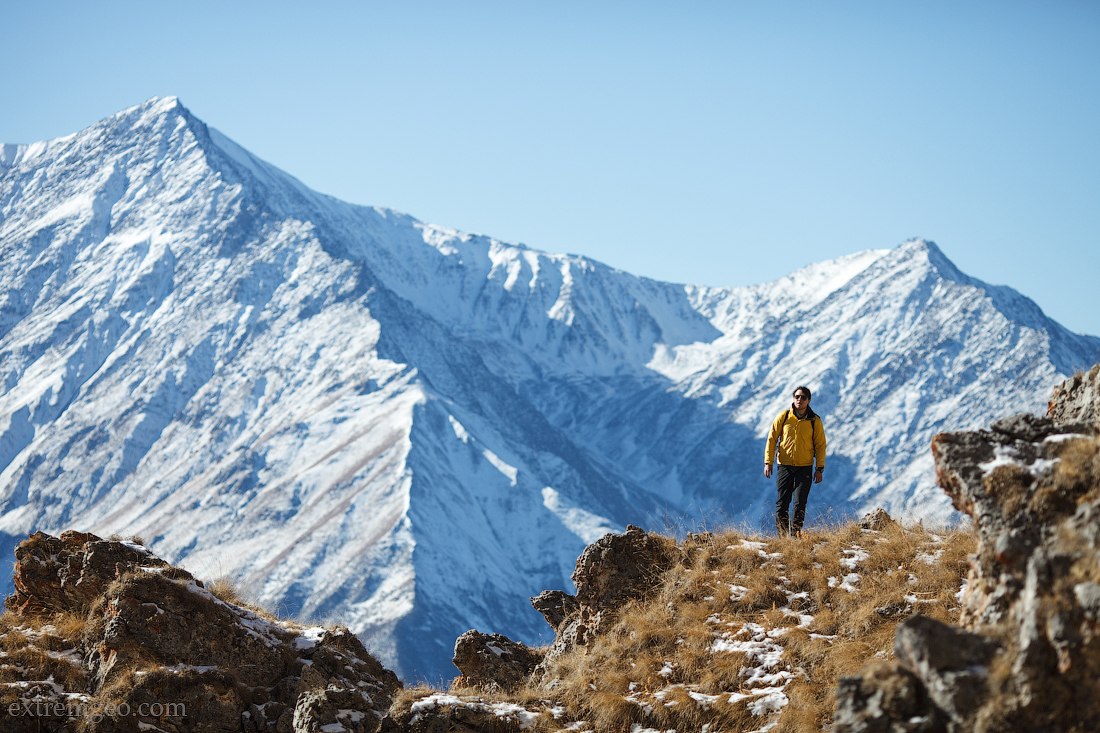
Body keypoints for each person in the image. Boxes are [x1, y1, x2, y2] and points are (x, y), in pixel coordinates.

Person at [764, 386, 826, 537]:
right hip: (784, 466)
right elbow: (772, 439)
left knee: (799, 504)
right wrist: (768, 462)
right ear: (793, 398)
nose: (799, 399)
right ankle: (783, 537)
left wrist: (819, 468)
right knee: (782, 504)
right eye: (797, 396)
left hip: (804, 467)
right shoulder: (784, 417)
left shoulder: (814, 421)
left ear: (809, 401)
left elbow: (820, 445)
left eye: (803, 397)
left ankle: (794, 537)